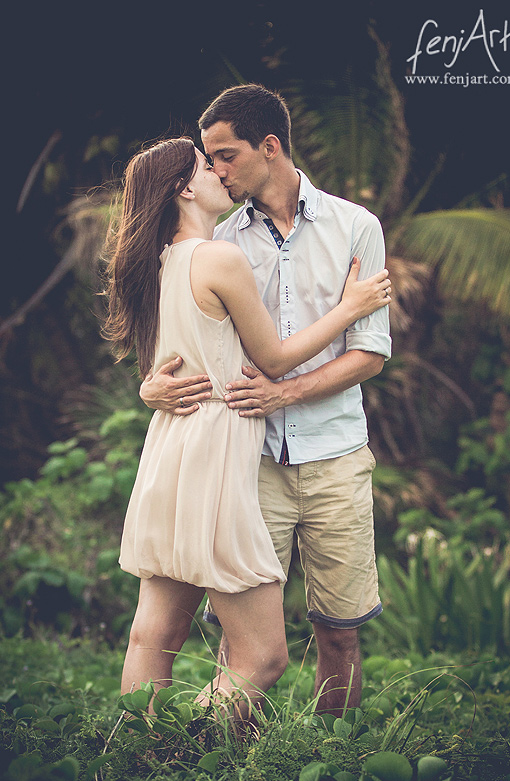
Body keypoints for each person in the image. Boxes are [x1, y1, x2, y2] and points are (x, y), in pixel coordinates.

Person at [102, 136, 391, 721]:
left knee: (150, 634)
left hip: (171, 446)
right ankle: (199, 742)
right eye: (207, 165)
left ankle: (137, 748)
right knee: (261, 656)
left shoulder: (158, 261)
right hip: (219, 447)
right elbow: (276, 359)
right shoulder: (221, 256)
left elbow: (165, 365)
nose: (218, 173)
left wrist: (147, 389)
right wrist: (351, 307)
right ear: (185, 187)